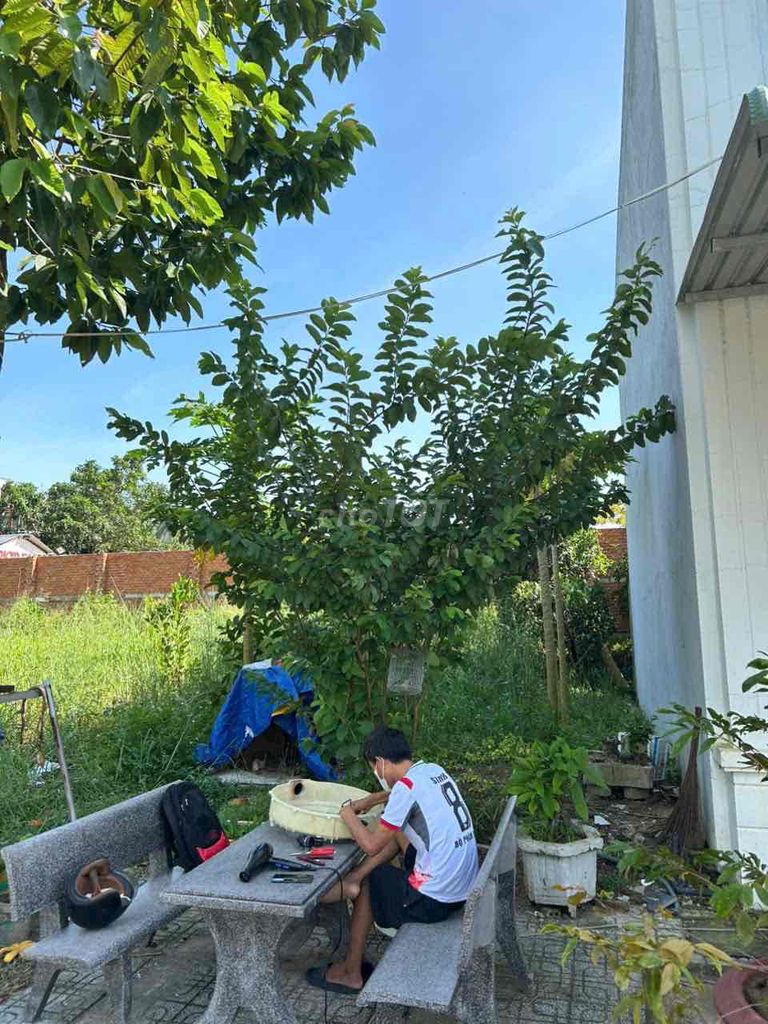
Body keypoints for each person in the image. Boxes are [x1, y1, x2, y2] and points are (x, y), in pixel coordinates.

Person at [306, 725, 478, 996]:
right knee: (395, 830)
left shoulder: (405, 789)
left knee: (374, 882)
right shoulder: (431, 771)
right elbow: (398, 797)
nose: (376, 774)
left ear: (380, 763)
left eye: (373, 767)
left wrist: (347, 814)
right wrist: (371, 800)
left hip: (435, 900)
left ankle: (351, 972)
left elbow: (371, 845)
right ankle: (354, 878)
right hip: (460, 886)